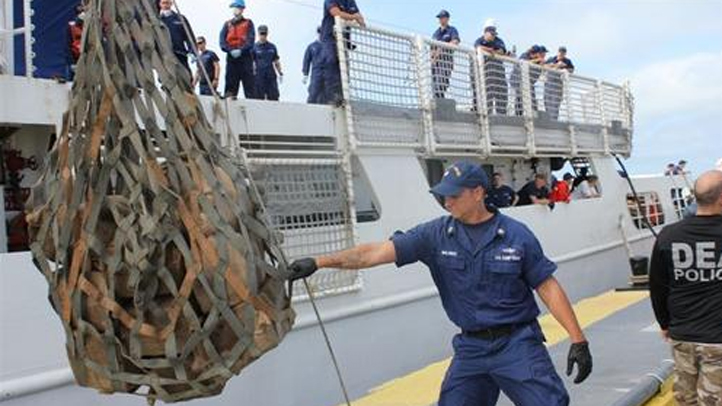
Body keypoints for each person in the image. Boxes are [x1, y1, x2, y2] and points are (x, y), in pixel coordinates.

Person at [289, 161, 592, 405]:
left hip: (517, 343)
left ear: (477, 193)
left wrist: (578, 340)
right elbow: (373, 253)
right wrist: (319, 262)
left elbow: (547, 287)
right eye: (442, 196)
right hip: (471, 347)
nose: (446, 202)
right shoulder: (434, 235)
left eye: (454, 195)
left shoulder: (516, 235)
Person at [649, 170, 722, 406]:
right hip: (717, 340)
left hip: (682, 335)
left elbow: (658, 286)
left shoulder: (669, 234)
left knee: (686, 400)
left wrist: (664, 324)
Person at [319, 0, 365, 105]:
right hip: (329, 37)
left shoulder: (350, 1)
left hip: (343, 39)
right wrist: (353, 17)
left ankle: (342, 95)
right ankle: (332, 95)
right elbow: (336, 13)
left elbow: (361, 19)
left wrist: (358, 19)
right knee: (331, 60)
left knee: (343, 66)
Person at [220, 0, 256, 99]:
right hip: (231, 57)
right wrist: (229, 50)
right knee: (230, 84)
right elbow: (222, 41)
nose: (235, 10)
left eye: (237, 8)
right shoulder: (227, 24)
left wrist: (241, 50)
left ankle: (252, 104)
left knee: (249, 86)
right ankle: (229, 98)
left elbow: (250, 40)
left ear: (242, 9)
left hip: (245, 57)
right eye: (234, 8)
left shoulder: (248, 23)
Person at [475, 22, 508, 115]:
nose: (493, 36)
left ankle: (502, 115)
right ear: (485, 33)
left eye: (494, 34)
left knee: (501, 95)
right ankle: (486, 113)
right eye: (491, 34)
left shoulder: (498, 40)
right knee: (486, 94)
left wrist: (493, 51)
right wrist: (490, 50)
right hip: (486, 72)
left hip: (498, 72)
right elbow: (477, 47)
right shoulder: (480, 40)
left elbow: (501, 51)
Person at [158, 0, 195, 74]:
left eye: (167, 2)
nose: (166, 5)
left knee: (186, 75)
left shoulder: (180, 18)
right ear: (159, 4)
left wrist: (192, 51)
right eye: (164, 3)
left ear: (171, 3)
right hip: (164, 54)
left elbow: (189, 36)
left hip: (180, 52)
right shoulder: (157, 19)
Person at [431, 10, 460, 99]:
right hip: (437, 62)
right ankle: (439, 99)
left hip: (446, 60)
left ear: (447, 19)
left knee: (442, 81)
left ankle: (440, 98)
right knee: (435, 84)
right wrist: (433, 57)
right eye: (439, 18)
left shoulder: (452, 30)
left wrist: (442, 49)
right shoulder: (436, 33)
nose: (440, 20)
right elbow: (432, 48)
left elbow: (455, 41)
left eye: (442, 18)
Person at [512, 45, 547, 116]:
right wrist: (537, 60)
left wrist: (541, 64)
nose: (542, 55)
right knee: (520, 97)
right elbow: (522, 62)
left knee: (532, 98)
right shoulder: (525, 55)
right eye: (540, 53)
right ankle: (518, 114)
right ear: (536, 53)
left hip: (529, 81)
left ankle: (534, 114)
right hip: (518, 79)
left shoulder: (538, 60)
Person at [252, 25, 283, 101]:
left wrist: (280, 72)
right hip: (259, 75)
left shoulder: (272, 47)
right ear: (258, 34)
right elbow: (251, 62)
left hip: (270, 75)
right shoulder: (254, 47)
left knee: (274, 97)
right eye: (261, 34)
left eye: (264, 34)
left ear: (267, 34)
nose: (263, 36)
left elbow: (276, 61)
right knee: (258, 98)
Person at [545, 46, 575, 120]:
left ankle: (554, 119)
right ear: (558, 52)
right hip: (548, 83)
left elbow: (572, 69)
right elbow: (544, 66)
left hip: (558, 83)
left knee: (556, 102)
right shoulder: (551, 59)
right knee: (547, 101)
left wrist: (565, 67)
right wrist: (556, 65)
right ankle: (549, 119)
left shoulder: (567, 61)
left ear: (565, 53)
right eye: (560, 52)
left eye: (563, 53)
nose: (562, 54)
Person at [303, 28, 324, 104]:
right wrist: (305, 74)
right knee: (313, 92)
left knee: (326, 94)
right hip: (316, 72)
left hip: (328, 73)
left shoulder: (329, 46)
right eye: (320, 32)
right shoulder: (312, 46)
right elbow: (306, 60)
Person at [67, 3, 86, 81]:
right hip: (75, 56)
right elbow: (68, 45)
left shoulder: (94, 24)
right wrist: (71, 62)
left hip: (87, 55)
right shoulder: (72, 26)